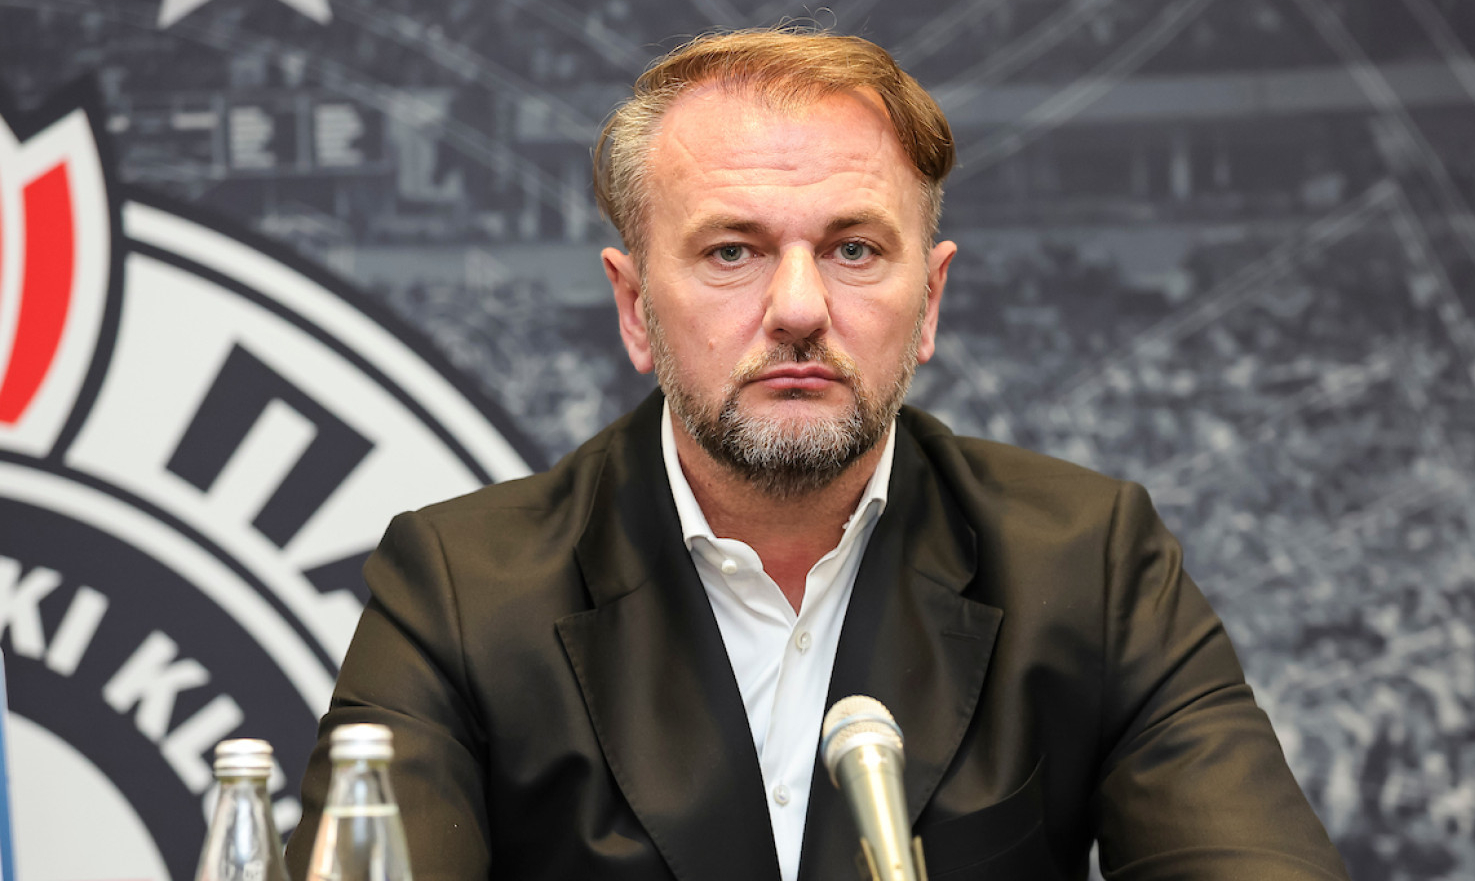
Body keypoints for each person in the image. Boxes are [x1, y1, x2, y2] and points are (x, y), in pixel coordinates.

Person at [285, 28, 1351, 881]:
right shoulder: (461, 591)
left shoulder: (1089, 563)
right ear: (634, 306)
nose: (798, 307)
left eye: (853, 248)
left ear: (928, 301)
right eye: (732, 250)